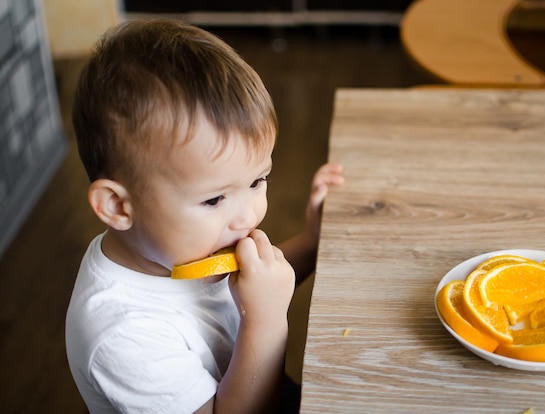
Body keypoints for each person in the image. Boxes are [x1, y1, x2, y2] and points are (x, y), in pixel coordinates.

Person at [65, 18, 343, 414]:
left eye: (257, 180)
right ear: (118, 206)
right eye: (214, 200)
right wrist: (265, 321)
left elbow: (255, 284)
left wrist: (311, 243)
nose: (248, 215)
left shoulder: (177, 246)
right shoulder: (122, 334)